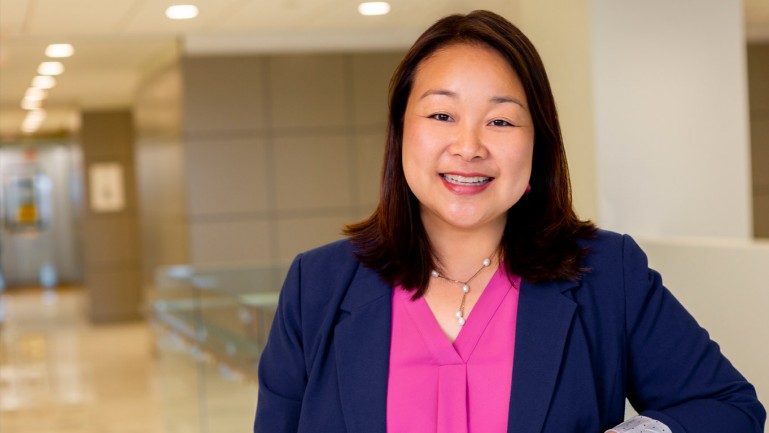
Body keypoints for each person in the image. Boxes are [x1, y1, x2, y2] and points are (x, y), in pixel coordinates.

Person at [254, 10, 765, 433]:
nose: (469, 147)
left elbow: (729, 409)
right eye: (441, 115)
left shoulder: (609, 274)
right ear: (400, 131)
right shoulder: (315, 286)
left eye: (500, 120)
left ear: (537, 143)